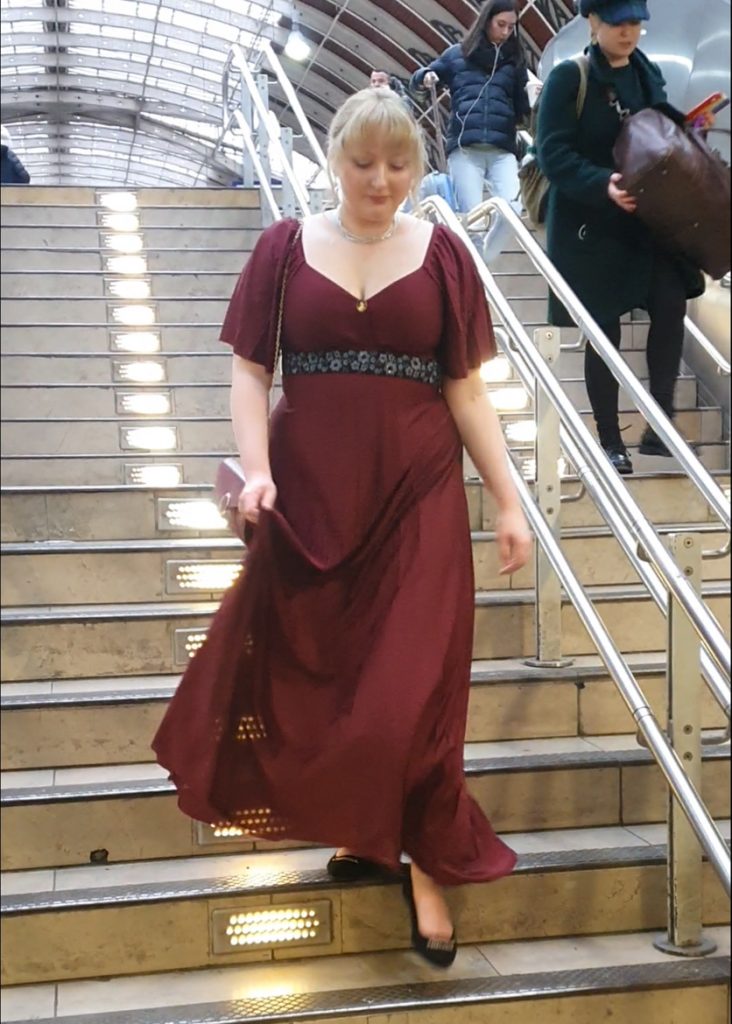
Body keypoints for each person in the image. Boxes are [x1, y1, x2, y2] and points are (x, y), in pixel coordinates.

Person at [153, 87, 531, 967]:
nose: (381, 181)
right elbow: (251, 373)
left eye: (399, 164)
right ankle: (368, 833)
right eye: (364, 163)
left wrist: (509, 500)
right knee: (326, 680)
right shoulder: (283, 248)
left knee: (416, 687)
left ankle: (427, 861)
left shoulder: (443, 252)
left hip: (418, 494)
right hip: (312, 497)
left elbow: (467, 389)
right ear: (333, 158)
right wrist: (259, 471)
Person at [536, 0, 706, 474]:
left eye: (635, 23)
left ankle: (660, 421)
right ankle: (610, 439)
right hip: (592, 227)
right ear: (592, 22)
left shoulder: (645, 71)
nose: (629, 32)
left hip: (648, 220)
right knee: (603, 333)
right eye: (618, 22)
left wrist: (690, 129)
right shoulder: (570, 78)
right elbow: (552, 151)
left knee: (671, 303)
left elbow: (657, 125)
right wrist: (601, 184)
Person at [410, 0, 530, 264]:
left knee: (513, 209)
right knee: (472, 220)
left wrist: (532, 110)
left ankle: (478, 265)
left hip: (502, 147)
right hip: (465, 149)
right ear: (486, 21)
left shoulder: (515, 61)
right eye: (501, 25)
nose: (506, 32)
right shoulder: (457, 55)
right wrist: (425, 76)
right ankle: (476, 272)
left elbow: (522, 103)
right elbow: (421, 77)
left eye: (512, 27)